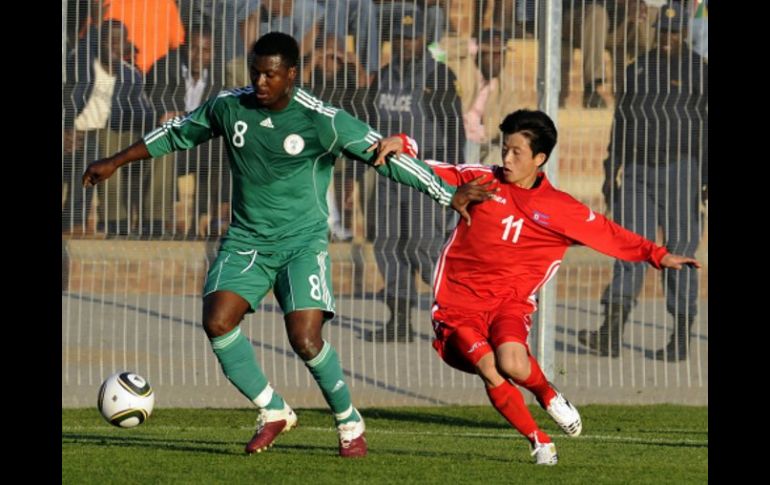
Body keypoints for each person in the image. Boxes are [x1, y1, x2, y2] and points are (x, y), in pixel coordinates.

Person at [82, 32, 492, 457]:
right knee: (218, 321)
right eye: (255, 72)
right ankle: (273, 410)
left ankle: (349, 421)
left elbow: (385, 156)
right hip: (247, 239)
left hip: (301, 244)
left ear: (291, 75)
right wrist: (113, 162)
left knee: (306, 339)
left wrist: (448, 194)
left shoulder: (322, 119)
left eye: (270, 75)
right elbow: (176, 132)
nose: (260, 82)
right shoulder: (229, 106)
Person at [375, 109, 699, 464]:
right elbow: (427, 171)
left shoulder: (559, 208)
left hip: (509, 303)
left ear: (540, 159)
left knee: (512, 362)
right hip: (458, 303)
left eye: (517, 152)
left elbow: (608, 233)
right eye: (504, 149)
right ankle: (539, 441)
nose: (507, 159)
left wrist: (658, 255)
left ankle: (548, 394)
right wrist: (404, 143)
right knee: (489, 366)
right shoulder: (481, 181)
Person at [579, 0, 708, 361]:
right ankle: (610, 333)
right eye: (662, 31)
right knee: (631, 248)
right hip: (637, 172)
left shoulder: (699, 70)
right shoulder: (638, 70)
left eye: (673, 31)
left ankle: (680, 337)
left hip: (683, 170)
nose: (667, 37)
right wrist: (610, 171)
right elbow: (621, 124)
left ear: (683, 32)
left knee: (680, 251)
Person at [365, 2, 465, 343]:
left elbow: (455, 131)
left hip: (424, 174)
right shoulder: (382, 76)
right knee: (389, 245)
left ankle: (458, 313)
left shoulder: (438, 76)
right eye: (400, 38)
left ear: (424, 39)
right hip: (388, 175)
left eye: (412, 38)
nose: (406, 44)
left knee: (424, 245)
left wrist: (451, 179)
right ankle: (399, 320)